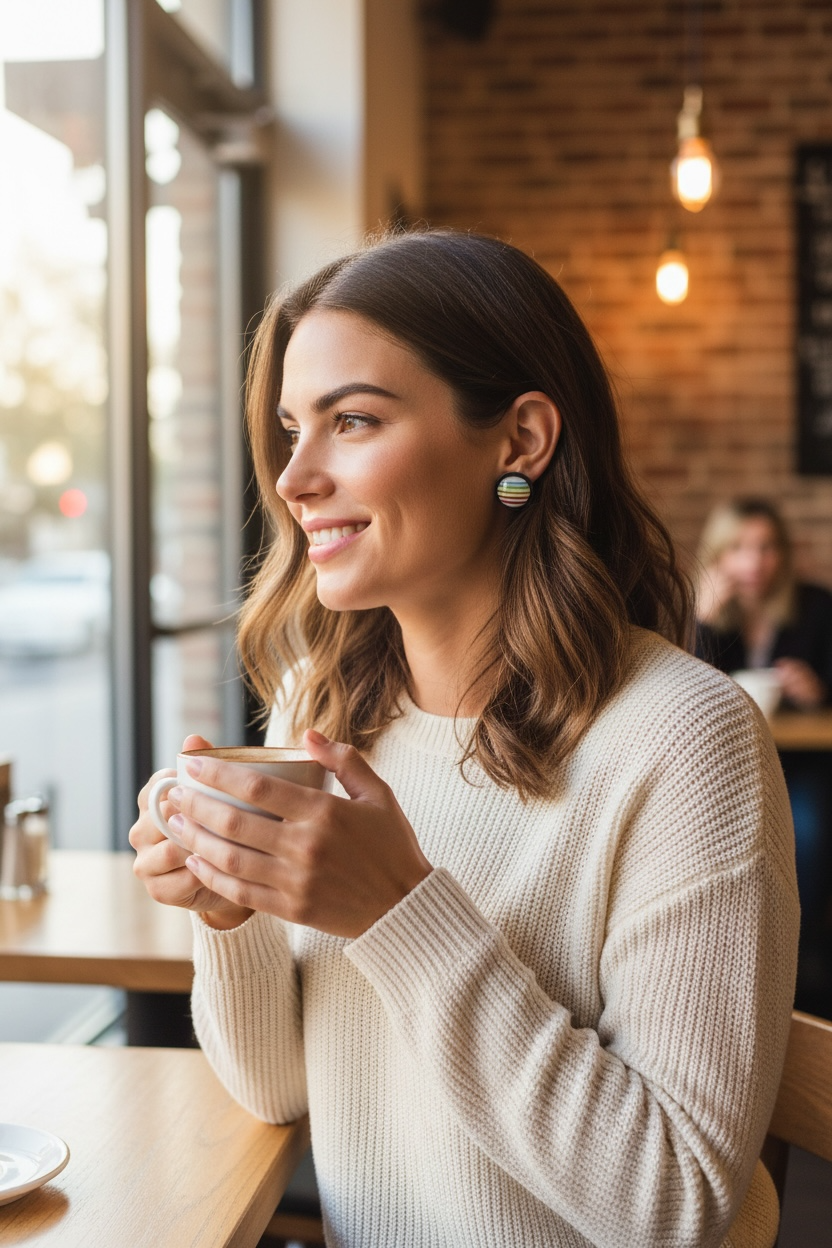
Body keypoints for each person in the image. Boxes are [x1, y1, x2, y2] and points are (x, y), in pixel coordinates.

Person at [130, 230, 798, 1248]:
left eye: (351, 420)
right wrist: (234, 909)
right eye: (290, 429)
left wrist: (398, 910)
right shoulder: (327, 704)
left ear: (520, 441)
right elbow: (273, 1088)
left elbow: (674, 1207)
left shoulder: (684, 739)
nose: (295, 477)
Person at [695, 496, 832, 1014]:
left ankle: (805, 954)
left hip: (803, 763)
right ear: (717, 556)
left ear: (783, 555)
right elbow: (677, 690)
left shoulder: (816, 607)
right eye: (739, 548)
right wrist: (701, 620)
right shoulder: (705, 613)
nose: (754, 562)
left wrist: (816, 690)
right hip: (730, 766)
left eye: (766, 548)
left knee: (812, 829)